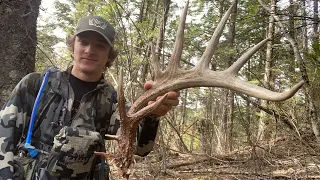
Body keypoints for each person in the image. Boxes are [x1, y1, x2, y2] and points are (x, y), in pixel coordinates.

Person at [0, 15, 179, 180]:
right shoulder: (36, 85)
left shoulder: (114, 101)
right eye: (83, 42)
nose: (90, 50)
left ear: (109, 54)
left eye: (100, 45)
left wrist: (152, 114)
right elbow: (3, 137)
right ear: (73, 46)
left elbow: (141, 148)